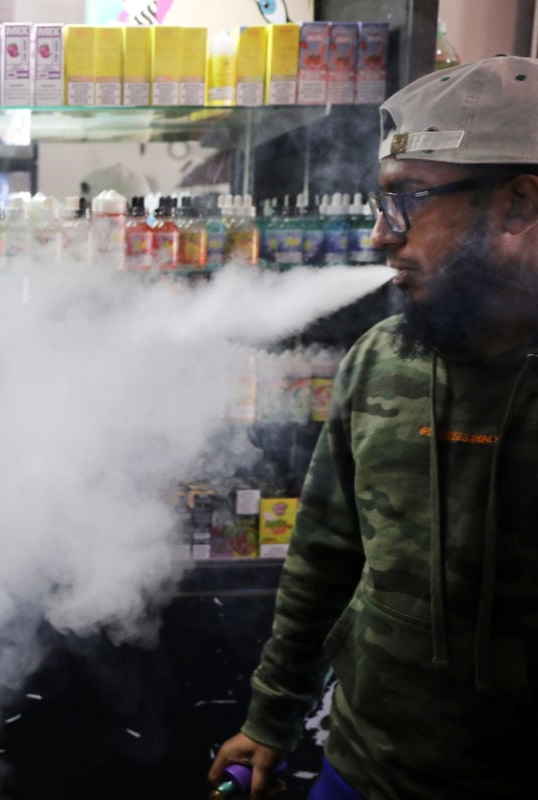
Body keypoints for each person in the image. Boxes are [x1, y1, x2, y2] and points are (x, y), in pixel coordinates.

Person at [209, 54, 538, 800]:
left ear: (518, 203)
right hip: (364, 770)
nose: (381, 237)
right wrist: (271, 717)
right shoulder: (381, 359)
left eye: (407, 201)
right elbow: (325, 555)